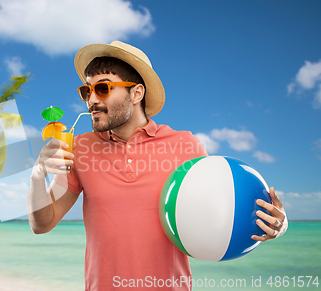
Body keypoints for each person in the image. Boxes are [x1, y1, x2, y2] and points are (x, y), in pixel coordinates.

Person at [27, 41, 288, 290]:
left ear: (136, 92)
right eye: (87, 90)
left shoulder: (185, 145)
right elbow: (42, 224)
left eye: (103, 88)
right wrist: (37, 176)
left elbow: (221, 210)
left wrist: (277, 226)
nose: (92, 100)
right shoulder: (80, 148)